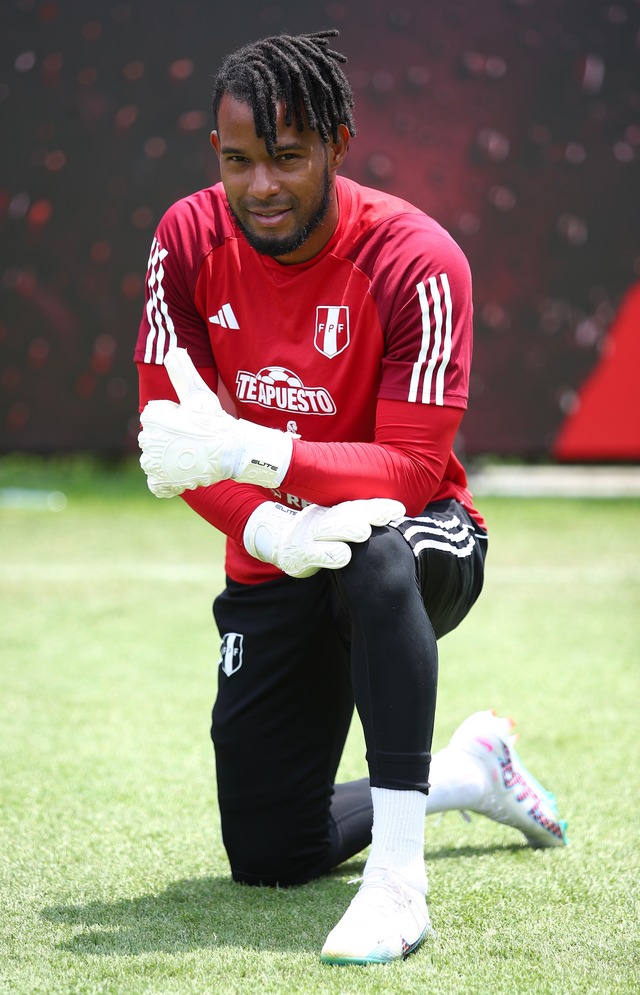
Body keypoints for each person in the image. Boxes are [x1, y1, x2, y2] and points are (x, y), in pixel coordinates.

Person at [135, 30, 568, 966]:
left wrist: (253, 450)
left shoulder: (418, 258)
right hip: (281, 552)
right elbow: (171, 444)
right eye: (240, 160)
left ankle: (399, 885)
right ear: (217, 152)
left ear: (338, 142)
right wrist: (264, 525)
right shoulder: (186, 240)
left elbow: (412, 469)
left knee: (376, 548)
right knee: (268, 850)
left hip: (422, 542)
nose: (262, 186)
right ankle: (466, 770)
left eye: (288, 158)